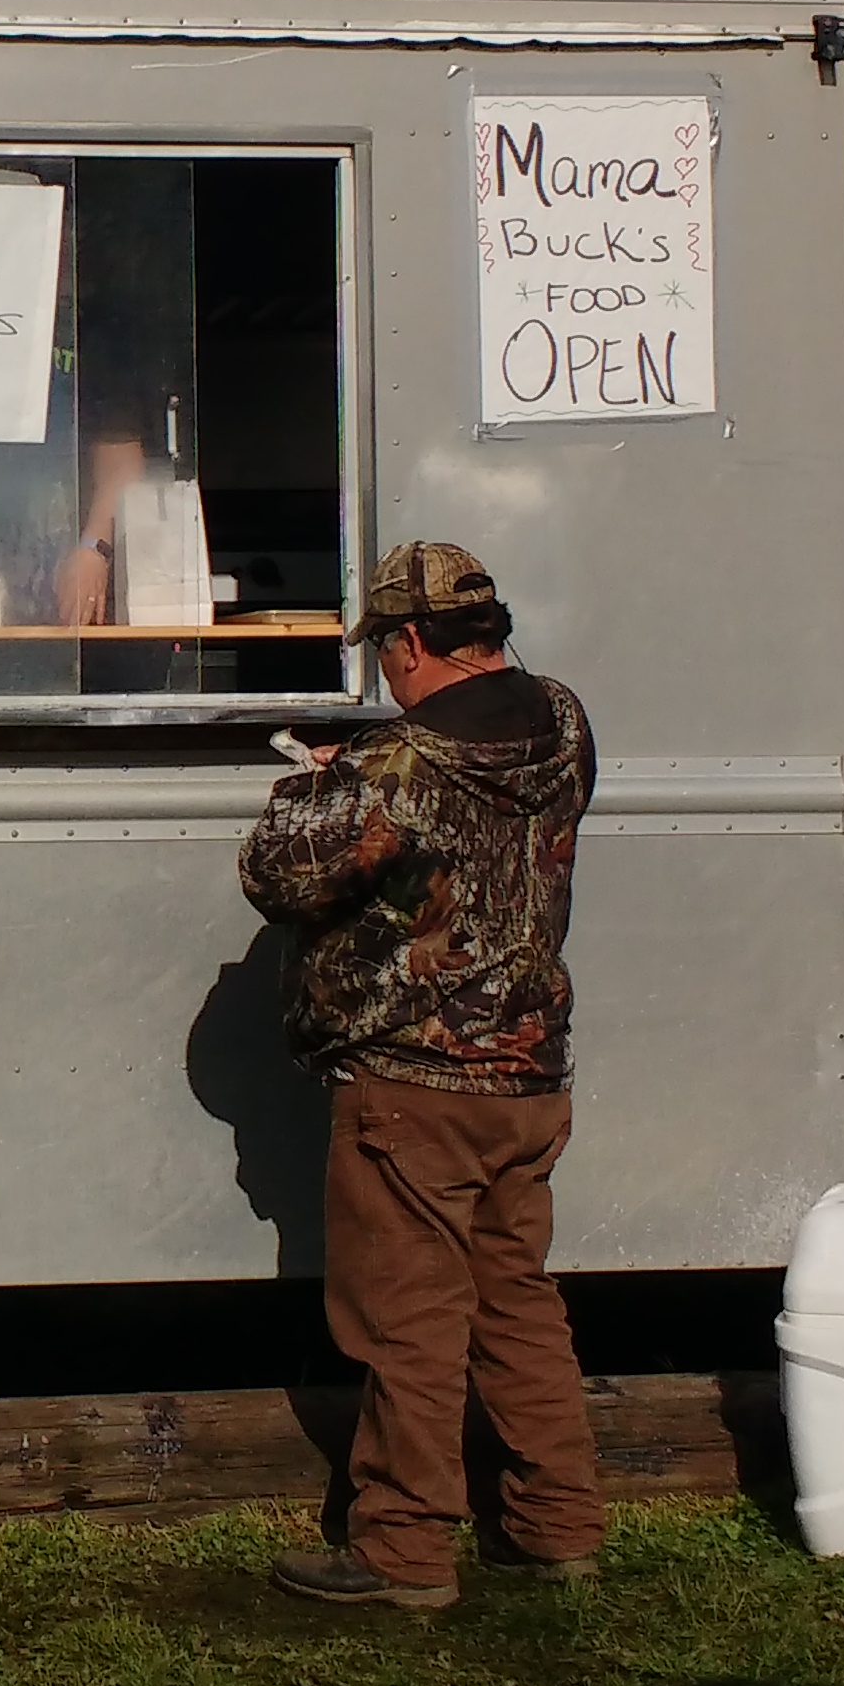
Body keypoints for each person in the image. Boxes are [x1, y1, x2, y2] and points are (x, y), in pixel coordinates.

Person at [241, 541, 603, 1607]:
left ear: (406, 642)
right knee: (516, 1303)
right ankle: (555, 1522)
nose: (384, 675)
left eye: (384, 653)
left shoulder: (393, 770)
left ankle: (400, 1549)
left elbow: (282, 876)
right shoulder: (564, 721)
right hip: (529, 1075)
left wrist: (317, 788)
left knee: (407, 1317)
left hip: (415, 1082)